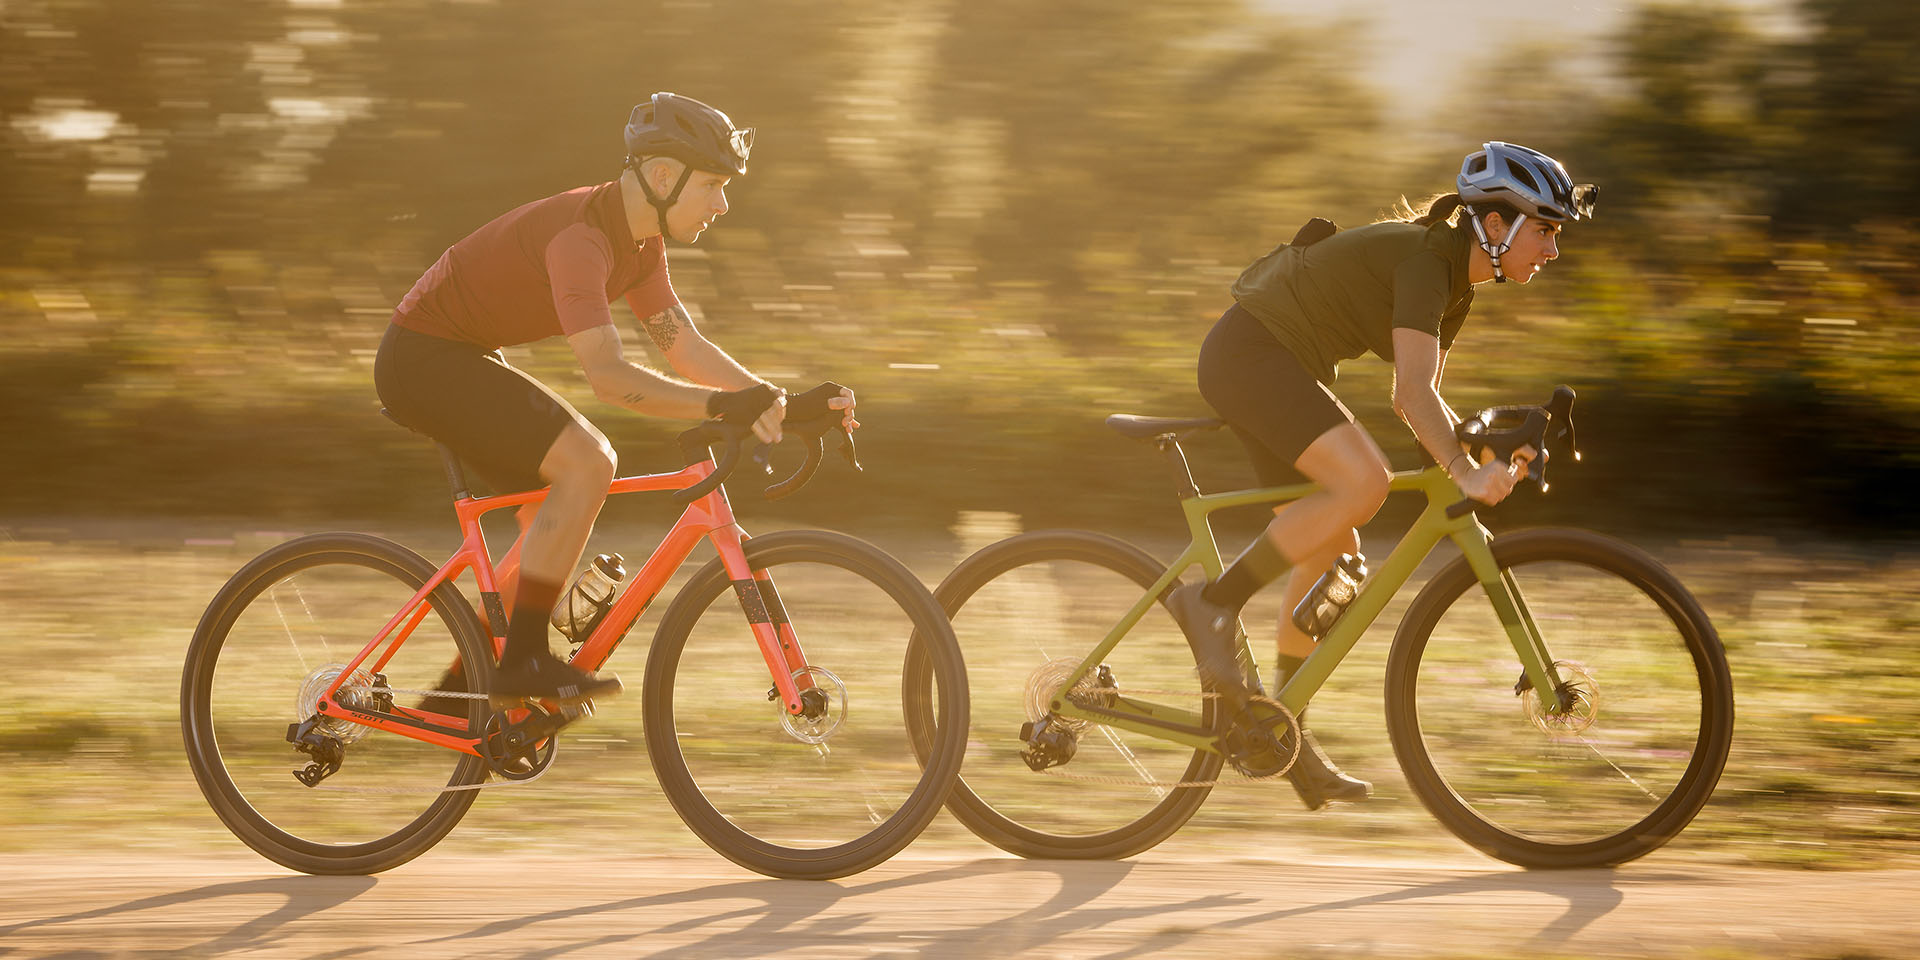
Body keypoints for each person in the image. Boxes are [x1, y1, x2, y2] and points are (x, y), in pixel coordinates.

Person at [374, 91, 857, 704]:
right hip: (423, 359)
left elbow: (682, 348)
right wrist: (719, 406)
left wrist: (778, 403)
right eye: (711, 184)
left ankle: (462, 687)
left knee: (553, 505)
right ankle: (519, 661)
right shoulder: (582, 240)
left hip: (460, 355)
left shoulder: (640, 245)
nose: (723, 202)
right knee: (589, 459)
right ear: (662, 176)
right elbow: (609, 377)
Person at [1166, 141, 1596, 809]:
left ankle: (1285, 740)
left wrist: (1475, 457)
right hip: (1250, 354)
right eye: (1544, 229)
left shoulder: (1456, 286)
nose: (1553, 249)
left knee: (1335, 551)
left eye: (1555, 233)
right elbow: (1415, 397)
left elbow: (1418, 405)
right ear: (1494, 223)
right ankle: (1210, 604)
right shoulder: (1430, 262)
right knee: (1362, 484)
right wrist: (1460, 466)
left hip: (1274, 363)